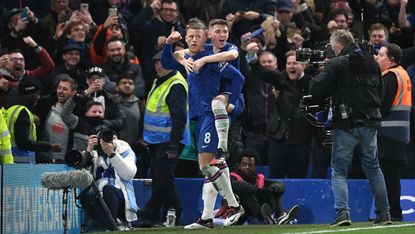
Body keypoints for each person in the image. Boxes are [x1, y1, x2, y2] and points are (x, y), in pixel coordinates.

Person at [161, 20, 245, 228]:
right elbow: (166, 62)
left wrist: (232, 102)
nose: (194, 39)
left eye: (198, 36)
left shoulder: (213, 58)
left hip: (212, 114)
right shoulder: (188, 57)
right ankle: (207, 218)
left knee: (205, 166)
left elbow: (238, 77)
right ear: (186, 38)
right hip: (199, 116)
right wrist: (169, 46)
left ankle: (235, 206)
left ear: (205, 37)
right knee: (211, 167)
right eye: (190, 36)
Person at [309, 29, 391, 226]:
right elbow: (379, 92)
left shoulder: (338, 62)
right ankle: (385, 214)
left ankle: (343, 214)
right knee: (373, 168)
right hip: (371, 122)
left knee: (339, 170)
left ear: (338, 47)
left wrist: (323, 73)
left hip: (347, 124)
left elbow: (316, 89)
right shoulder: (372, 61)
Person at [138, 50, 190, 226]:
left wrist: (174, 144)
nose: (158, 65)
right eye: (156, 62)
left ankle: (166, 213)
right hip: (157, 140)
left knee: (164, 179)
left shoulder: (175, 84)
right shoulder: (159, 80)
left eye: (162, 62)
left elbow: (179, 117)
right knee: (160, 179)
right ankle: (154, 215)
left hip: (169, 141)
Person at [245, 47, 314, 178]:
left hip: (300, 139)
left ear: (304, 65)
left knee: (298, 176)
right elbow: (261, 71)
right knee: (275, 177)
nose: (291, 66)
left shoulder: (311, 83)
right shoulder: (280, 78)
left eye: (295, 63)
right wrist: (251, 56)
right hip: (277, 137)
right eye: (289, 63)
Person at [375, 43, 411, 222]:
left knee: (388, 177)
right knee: (391, 176)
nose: (377, 58)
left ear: (391, 60)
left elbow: (383, 106)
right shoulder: (402, 73)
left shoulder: (391, 75)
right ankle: (392, 213)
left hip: (388, 133)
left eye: (380, 55)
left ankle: (391, 213)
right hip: (398, 134)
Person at [80, 129, 138, 230]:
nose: (108, 142)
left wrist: (112, 154)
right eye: (103, 139)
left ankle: (111, 226)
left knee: (108, 189)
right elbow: (83, 178)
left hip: (121, 199)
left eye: (112, 138)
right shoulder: (95, 154)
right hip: (99, 196)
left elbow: (129, 174)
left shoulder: (125, 150)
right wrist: (88, 151)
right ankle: (113, 225)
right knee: (85, 196)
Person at [228, 149, 300, 225]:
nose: (247, 167)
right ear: (239, 166)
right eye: (244, 164)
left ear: (255, 166)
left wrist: (273, 189)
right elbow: (236, 185)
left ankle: (280, 217)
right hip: (238, 214)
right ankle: (267, 218)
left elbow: (280, 185)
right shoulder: (233, 177)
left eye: (250, 165)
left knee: (273, 190)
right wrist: (258, 190)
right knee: (246, 193)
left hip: (255, 214)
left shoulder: (259, 178)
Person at [3, 76, 62, 163]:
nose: (38, 97)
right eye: (37, 94)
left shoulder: (8, 106)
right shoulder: (22, 112)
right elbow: (24, 143)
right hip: (20, 164)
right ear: (30, 94)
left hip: (7, 161)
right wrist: (50, 147)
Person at [35, 74, 77, 163]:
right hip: (42, 158)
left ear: (73, 93)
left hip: (63, 160)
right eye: (59, 88)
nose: (61, 91)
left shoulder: (77, 111)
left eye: (65, 89)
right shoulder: (45, 104)